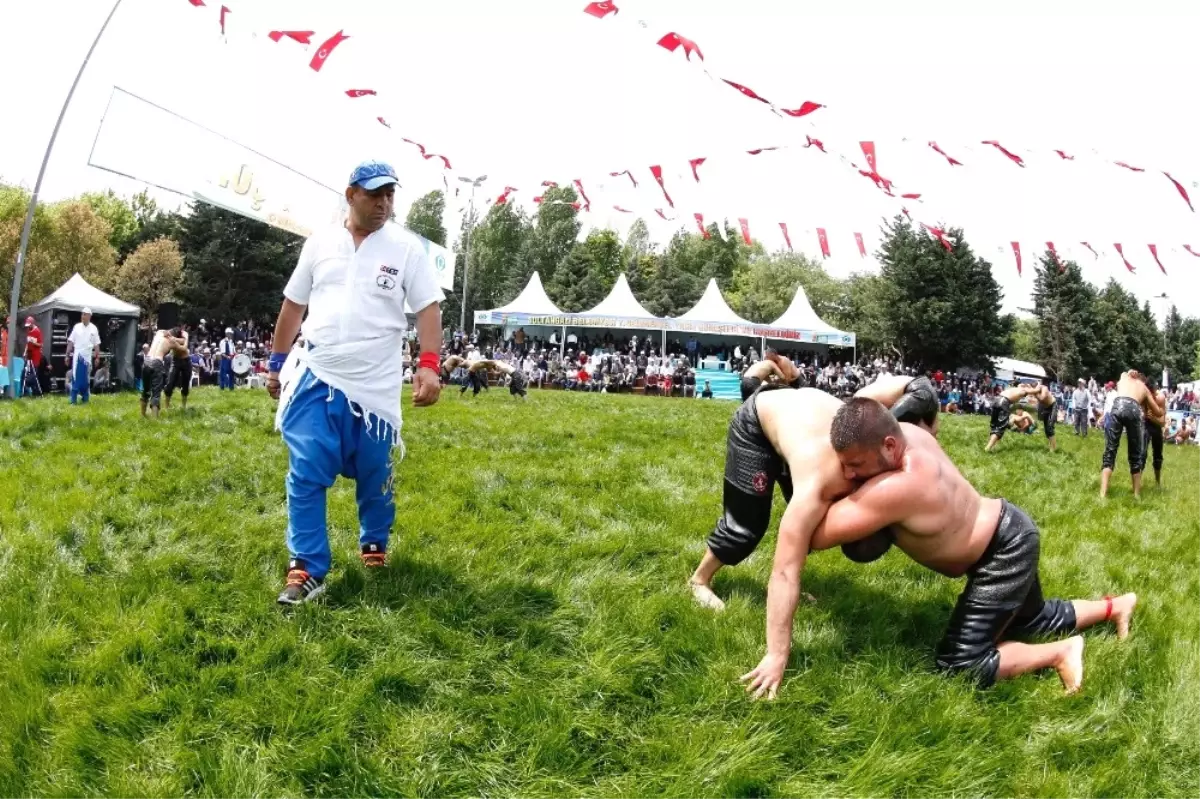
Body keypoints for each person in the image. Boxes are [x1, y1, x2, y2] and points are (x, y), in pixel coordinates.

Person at [763, 398, 1137, 699]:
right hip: (1013, 527)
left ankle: (1061, 652)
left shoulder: (897, 488)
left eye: (856, 466)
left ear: (889, 447)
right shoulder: (911, 432)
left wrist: (809, 490)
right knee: (1032, 617)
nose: (848, 475)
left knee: (961, 662)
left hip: (1001, 553)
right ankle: (1115, 606)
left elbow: (813, 535)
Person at [267, 159, 444, 606]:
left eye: (390, 194)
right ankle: (306, 567)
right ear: (351, 195)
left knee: (374, 471)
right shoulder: (320, 243)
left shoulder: (406, 249)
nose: (384, 202)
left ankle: (373, 542)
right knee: (306, 471)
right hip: (317, 376)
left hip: (375, 387)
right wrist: (276, 363)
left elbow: (428, 310)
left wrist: (429, 365)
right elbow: (293, 306)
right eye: (374, 194)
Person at [688, 387, 936, 616]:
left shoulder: (881, 460)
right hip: (758, 421)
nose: (851, 474)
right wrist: (785, 583)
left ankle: (785, 589)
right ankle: (699, 580)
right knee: (746, 526)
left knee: (810, 525)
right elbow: (793, 539)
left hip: (799, 421)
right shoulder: (821, 482)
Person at [1100, 370, 1154, 499]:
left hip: (1118, 405)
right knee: (1135, 454)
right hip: (1134, 409)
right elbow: (1157, 410)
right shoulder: (1144, 388)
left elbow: (1123, 374)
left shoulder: (1123, 379)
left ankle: (1102, 494)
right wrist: (1156, 415)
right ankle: (1136, 494)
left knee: (1110, 451)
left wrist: (1129, 372)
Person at [855, 373, 940, 436]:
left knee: (881, 433)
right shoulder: (874, 390)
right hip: (926, 387)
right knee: (928, 435)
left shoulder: (857, 399)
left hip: (916, 390)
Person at [141, 328, 184, 418]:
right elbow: (183, 344)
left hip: (146, 360)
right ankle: (155, 421)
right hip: (157, 362)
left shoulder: (159, 333)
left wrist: (169, 334)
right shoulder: (172, 341)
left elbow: (163, 331)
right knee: (156, 393)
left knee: (145, 390)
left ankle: (143, 415)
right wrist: (178, 338)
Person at [984, 383, 1038, 451]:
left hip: (997, 400)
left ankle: (992, 446)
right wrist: (1034, 386)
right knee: (1000, 428)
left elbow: (1020, 385)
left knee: (994, 425)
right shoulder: (1023, 391)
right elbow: (1035, 391)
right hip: (1004, 402)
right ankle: (987, 448)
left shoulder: (1015, 389)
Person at [65, 307, 101, 405]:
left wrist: (97, 357)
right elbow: (71, 342)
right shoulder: (77, 327)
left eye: (85, 314)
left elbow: (96, 344)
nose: (83, 316)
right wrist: (67, 355)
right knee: (76, 378)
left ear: (90, 316)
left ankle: (85, 399)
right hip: (78, 356)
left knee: (86, 379)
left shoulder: (94, 328)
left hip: (88, 356)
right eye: (82, 314)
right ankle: (73, 400)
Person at [1141, 380, 1168, 488]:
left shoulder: (1160, 398)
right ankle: (1138, 481)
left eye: (1151, 392)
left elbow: (1162, 423)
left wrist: (1153, 418)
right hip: (1145, 425)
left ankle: (1157, 482)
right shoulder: (1143, 398)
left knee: (1158, 455)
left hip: (1156, 426)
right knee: (1142, 454)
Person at [163, 325, 192, 411]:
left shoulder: (184, 334)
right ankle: (167, 406)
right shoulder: (171, 333)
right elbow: (163, 332)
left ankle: (183, 406)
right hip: (175, 361)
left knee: (185, 384)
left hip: (186, 361)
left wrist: (173, 339)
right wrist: (170, 336)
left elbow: (184, 347)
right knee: (169, 383)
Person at [1028, 381, 1058, 451]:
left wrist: (1034, 393)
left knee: (1050, 427)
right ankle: (1051, 444)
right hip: (1046, 408)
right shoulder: (1036, 391)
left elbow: (1042, 398)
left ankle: (1053, 448)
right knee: (1046, 429)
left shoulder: (1044, 388)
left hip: (1052, 406)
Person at [22, 316, 43, 396]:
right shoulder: (28, 330)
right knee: (25, 372)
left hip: (35, 357)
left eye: (29, 325)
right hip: (29, 355)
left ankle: (36, 392)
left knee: (34, 374)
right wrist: (25, 352)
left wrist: (33, 343)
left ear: (32, 323)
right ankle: (26, 392)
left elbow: (40, 344)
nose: (28, 327)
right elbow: (28, 343)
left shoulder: (37, 331)